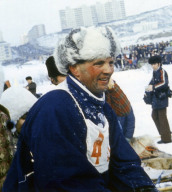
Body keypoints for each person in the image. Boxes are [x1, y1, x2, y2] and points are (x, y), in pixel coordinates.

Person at [3, 26, 157, 192]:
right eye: (99, 63)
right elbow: (66, 182)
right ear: (74, 68)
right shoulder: (55, 108)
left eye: (111, 62)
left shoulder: (101, 107)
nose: (109, 70)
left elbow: (124, 162)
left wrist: (143, 187)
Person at [45, 56, 135, 141]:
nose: (69, 79)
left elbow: (125, 111)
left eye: (70, 74)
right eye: (64, 76)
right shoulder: (54, 104)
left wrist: (112, 87)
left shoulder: (94, 89)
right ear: (53, 80)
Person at [0, 86, 37, 189]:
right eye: (23, 117)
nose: (28, 121)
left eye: (31, 115)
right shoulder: (10, 145)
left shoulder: (40, 138)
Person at [145, 55, 172, 144]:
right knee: (154, 116)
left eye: (155, 64)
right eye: (152, 64)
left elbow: (164, 83)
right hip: (156, 98)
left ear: (159, 63)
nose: (153, 66)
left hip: (161, 97)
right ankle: (165, 133)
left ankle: (166, 138)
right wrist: (148, 88)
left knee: (162, 117)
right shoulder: (155, 72)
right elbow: (153, 81)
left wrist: (153, 87)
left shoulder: (162, 71)